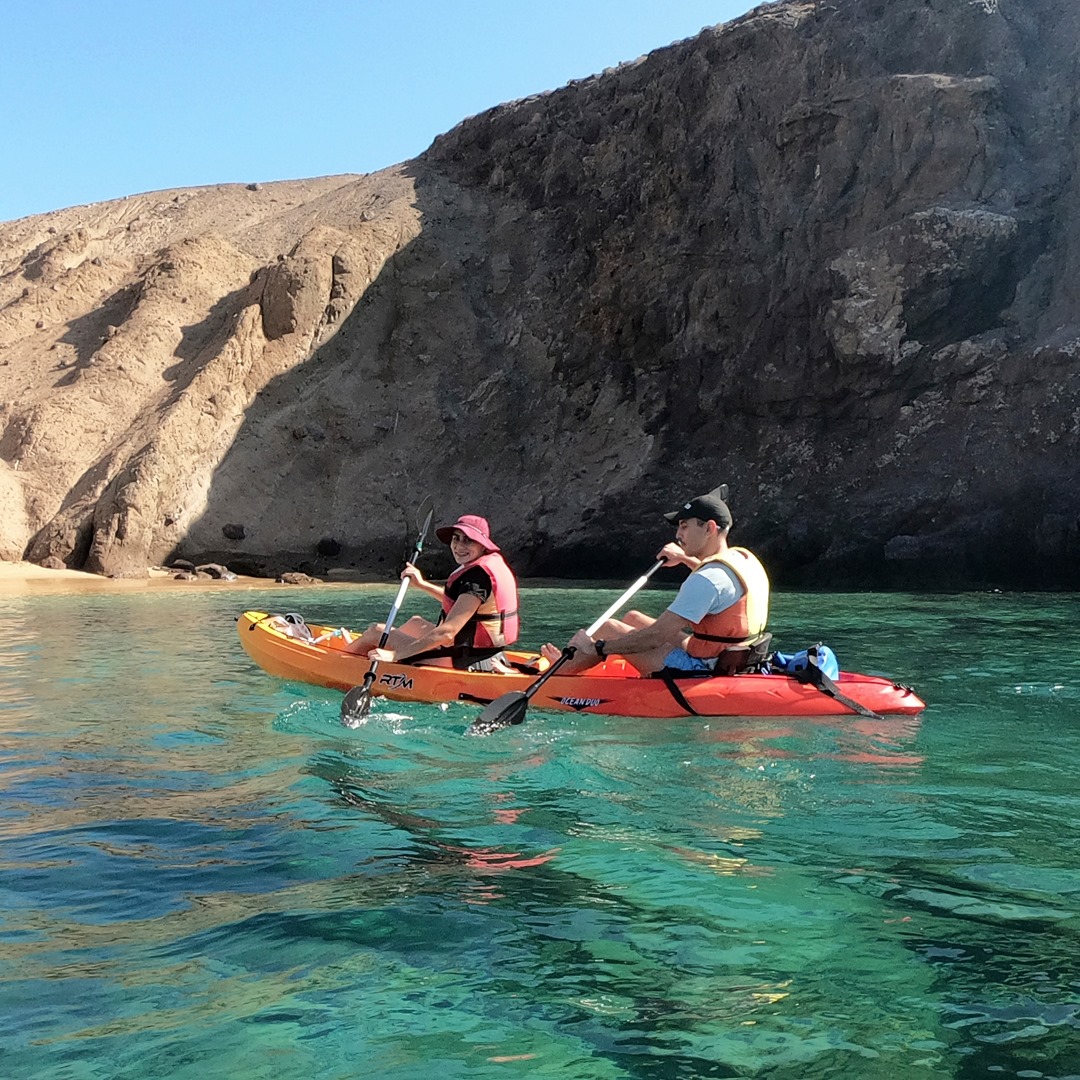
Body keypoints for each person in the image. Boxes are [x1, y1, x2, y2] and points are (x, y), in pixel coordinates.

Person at [547, 486, 770, 677]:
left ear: (710, 528)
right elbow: (722, 589)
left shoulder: (707, 580)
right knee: (633, 617)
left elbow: (655, 638)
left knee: (610, 628)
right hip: (726, 656)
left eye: (684, 525)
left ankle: (559, 671)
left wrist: (597, 647)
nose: (678, 535)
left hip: (702, 667)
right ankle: (577, 660)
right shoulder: (743, 559)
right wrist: (685, 559)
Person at [345, 514, 519, 671]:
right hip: (484, 654)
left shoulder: (477, 579)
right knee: (415, 622)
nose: (459, 546)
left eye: (468, 540)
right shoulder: (486, 567)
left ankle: (343, 661)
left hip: (465, 661)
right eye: (456, 539)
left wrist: (395, 655)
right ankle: (375, 651)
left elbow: (447, 632)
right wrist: (422, 585)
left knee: (376, 631)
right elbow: (460, 605)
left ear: (482, 545)